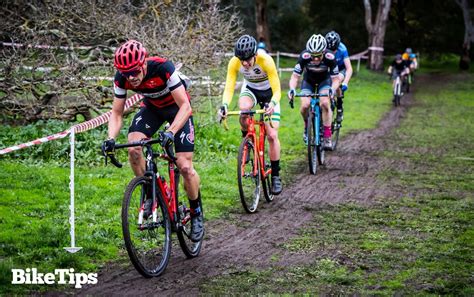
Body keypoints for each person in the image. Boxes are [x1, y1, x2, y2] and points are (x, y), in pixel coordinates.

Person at [101, 40, 203, 242]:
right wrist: (110, 138)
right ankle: (151, 193)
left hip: (178, 110)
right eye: (126, 73)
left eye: (135, 71)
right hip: (152, 109)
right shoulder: (122, 78)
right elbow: (116, 112)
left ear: (144, 63)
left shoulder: (163, 68)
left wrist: (171, 132)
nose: (131, 77)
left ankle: (196, 211)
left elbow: (185, 106)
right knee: (134, 149)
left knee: (184, 166)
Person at [218, 34, 283, 195]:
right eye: (242, 60)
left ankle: (275, 175)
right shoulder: (235, 62)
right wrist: (224, 105)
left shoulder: (266, 60)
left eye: (248, 60)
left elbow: (278, 90)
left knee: (272, 135)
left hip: (269, 94)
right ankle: (246, 140)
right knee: (244, 110)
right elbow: (229, 87)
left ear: (255, 55)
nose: (245, 64)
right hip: (251, 90)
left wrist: (273, 104)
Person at [287, 34, 339, 149]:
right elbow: (295, 77)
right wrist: (292, 89)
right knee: (305, 105)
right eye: (313, 56)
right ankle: (307, 127)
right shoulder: (304, 56)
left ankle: (327, 136)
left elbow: (336, 79)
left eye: (318, 56)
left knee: (325, 103)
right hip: (308, 81)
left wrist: (332, 89)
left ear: (324, 52)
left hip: (324, 81)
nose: (315, 59)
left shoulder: (330, 57)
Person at [325, 31, 353, 124]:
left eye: (334, 50)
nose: (332, 52)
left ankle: (340, 106)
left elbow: (349, 68)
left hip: (340, 69)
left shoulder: (343, 49)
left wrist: (345, 82)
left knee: (337, 80)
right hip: (329, 68)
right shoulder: (323, 48)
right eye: (330, 50)